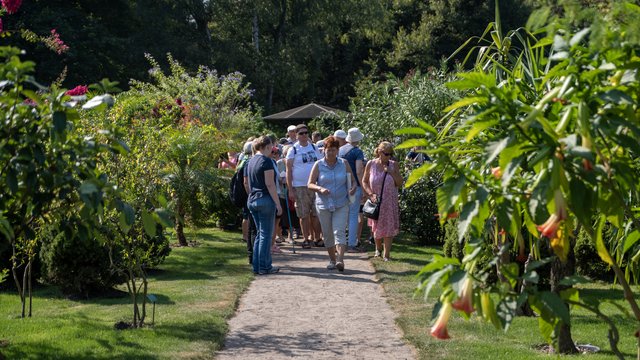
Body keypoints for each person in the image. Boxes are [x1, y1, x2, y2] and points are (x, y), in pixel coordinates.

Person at [308, 136, 356, 272]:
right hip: (323, 204)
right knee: (328, 234)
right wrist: (320, 188)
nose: (330, 153)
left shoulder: (344, 163)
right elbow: (310, 184)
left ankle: (340, 260)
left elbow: (353, 181)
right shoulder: (318, 165)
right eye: (328, 150)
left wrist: (353, 187)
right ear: (324, 150)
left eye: (333, 150)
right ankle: (332, 260)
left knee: (339, 231)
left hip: (341, 203)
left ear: (338, 150)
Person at [246, 136, 282, 274]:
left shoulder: (251, 161)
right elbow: (270, 184)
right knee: (266, 236)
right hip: (265, 199)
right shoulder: (266, 161)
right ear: (266, 147)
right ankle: (264, 266)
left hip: (253, 199)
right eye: (271, 147)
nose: (272, 150)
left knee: (260, 235)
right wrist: (278, 204)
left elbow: (249, 183)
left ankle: (257, 266)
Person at [362, 141, 403, 262]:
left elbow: (400, 183)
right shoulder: (371, 164)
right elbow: (364, 181)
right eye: (386, 153)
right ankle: (378, 248)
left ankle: (387, 254)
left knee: (389, 227)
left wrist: (391, 172)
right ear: (379, 152)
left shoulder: (394, 165)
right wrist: (370, 194)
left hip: (390, 202)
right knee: (376, 227)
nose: (389, 156)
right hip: (376, 202)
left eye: (391, 154)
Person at [285, 124, 323, 249]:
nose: (304, 135)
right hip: (299, 186)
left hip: (315, 185)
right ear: (296, 135)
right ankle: (306, 239)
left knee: (316, 214)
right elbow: (288, 171)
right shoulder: (293, 150)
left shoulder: (314, 147)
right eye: (301, 133)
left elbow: (320, 164)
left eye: (306, 132)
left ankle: (317, 238)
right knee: (304, 214)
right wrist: (290, 189)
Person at [339, 127, 365, 252]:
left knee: (342, 215)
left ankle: (340, 242)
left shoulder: (340, 150)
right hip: (354, 186)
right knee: (353, 215)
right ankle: (351, 244)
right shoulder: (357, 152)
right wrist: (363, 187)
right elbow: (359, 171)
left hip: (341, 186)